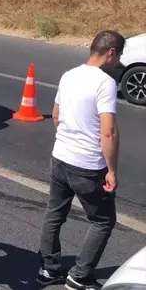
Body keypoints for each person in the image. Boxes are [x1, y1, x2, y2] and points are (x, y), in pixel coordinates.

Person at [36, 30, 123, 290]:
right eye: (118, 56)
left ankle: (49, 269)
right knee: (103, 220)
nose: (118, 62)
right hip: (88, 165)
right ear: (110, 53)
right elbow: (108, 131)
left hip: (60, 157)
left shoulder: (69, 75)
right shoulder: (105, 82)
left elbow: (55, 115)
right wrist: (111, 170)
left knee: (55, 214)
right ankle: (80, 275)